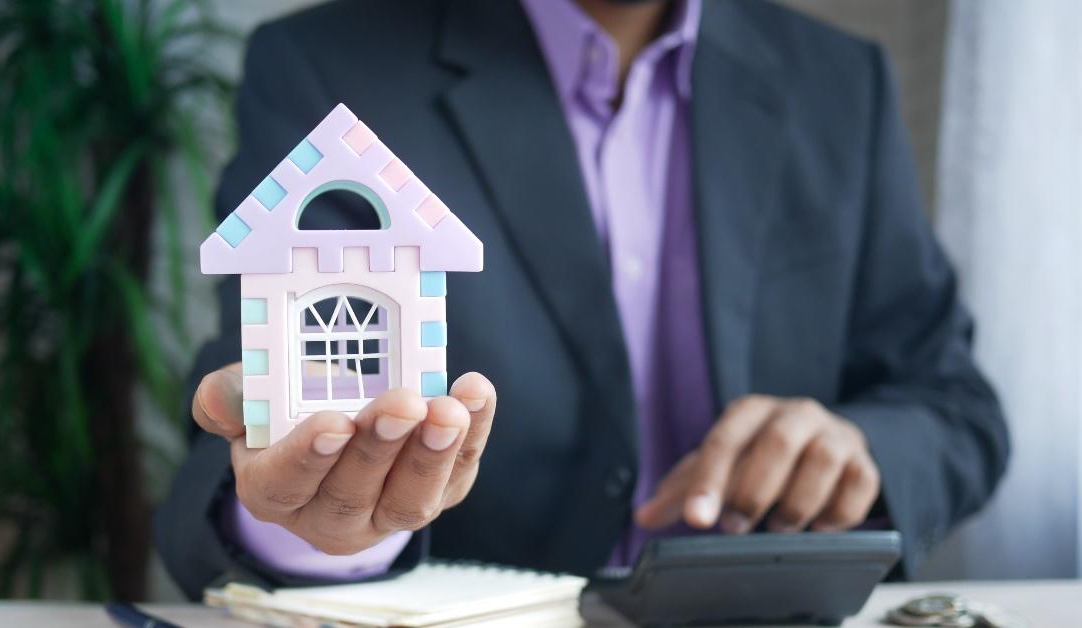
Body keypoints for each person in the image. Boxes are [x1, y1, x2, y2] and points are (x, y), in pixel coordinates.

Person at [156, 0, 1009, 599]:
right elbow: (258, 420)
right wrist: (319, 528)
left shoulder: (840, 82)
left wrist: (858, 448)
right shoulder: (328, 70)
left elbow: (954, 406)